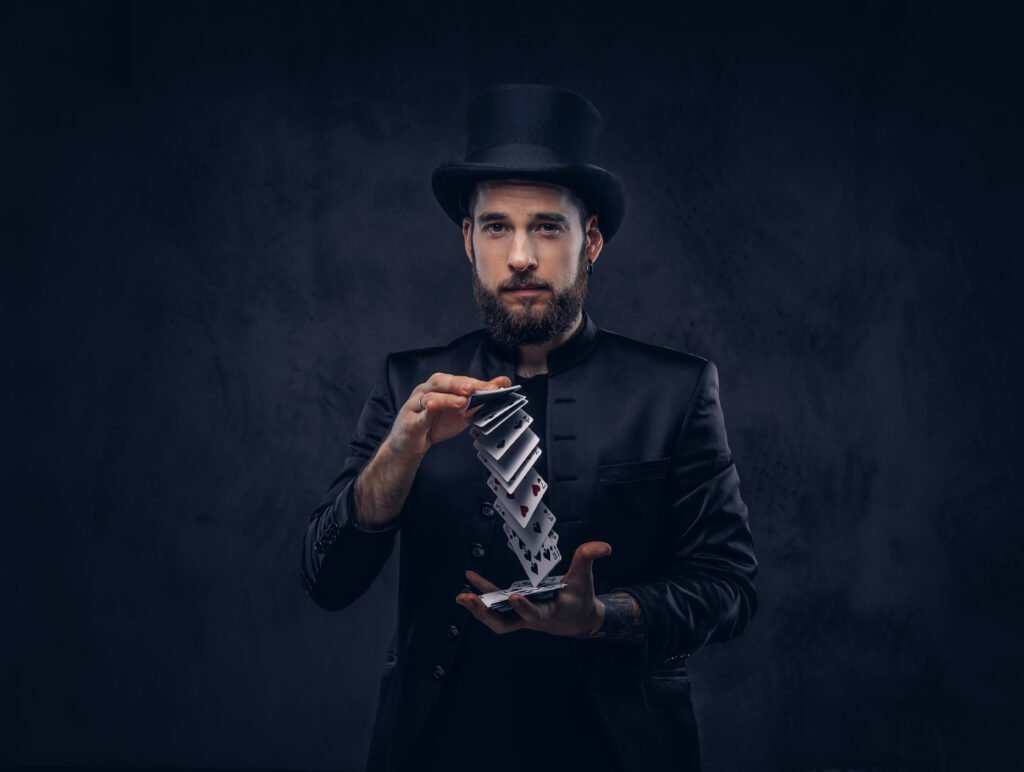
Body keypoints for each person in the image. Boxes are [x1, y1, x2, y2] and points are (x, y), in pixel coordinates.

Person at [301, 84, 758, 772]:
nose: (520, 256)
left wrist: (604, 616)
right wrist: (397, 456)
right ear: (467, 239)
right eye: (496, 227)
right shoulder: (409, 387)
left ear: (590, 241)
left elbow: (730, 588)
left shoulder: (676, 390)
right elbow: (325, 581)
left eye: (547, 226)